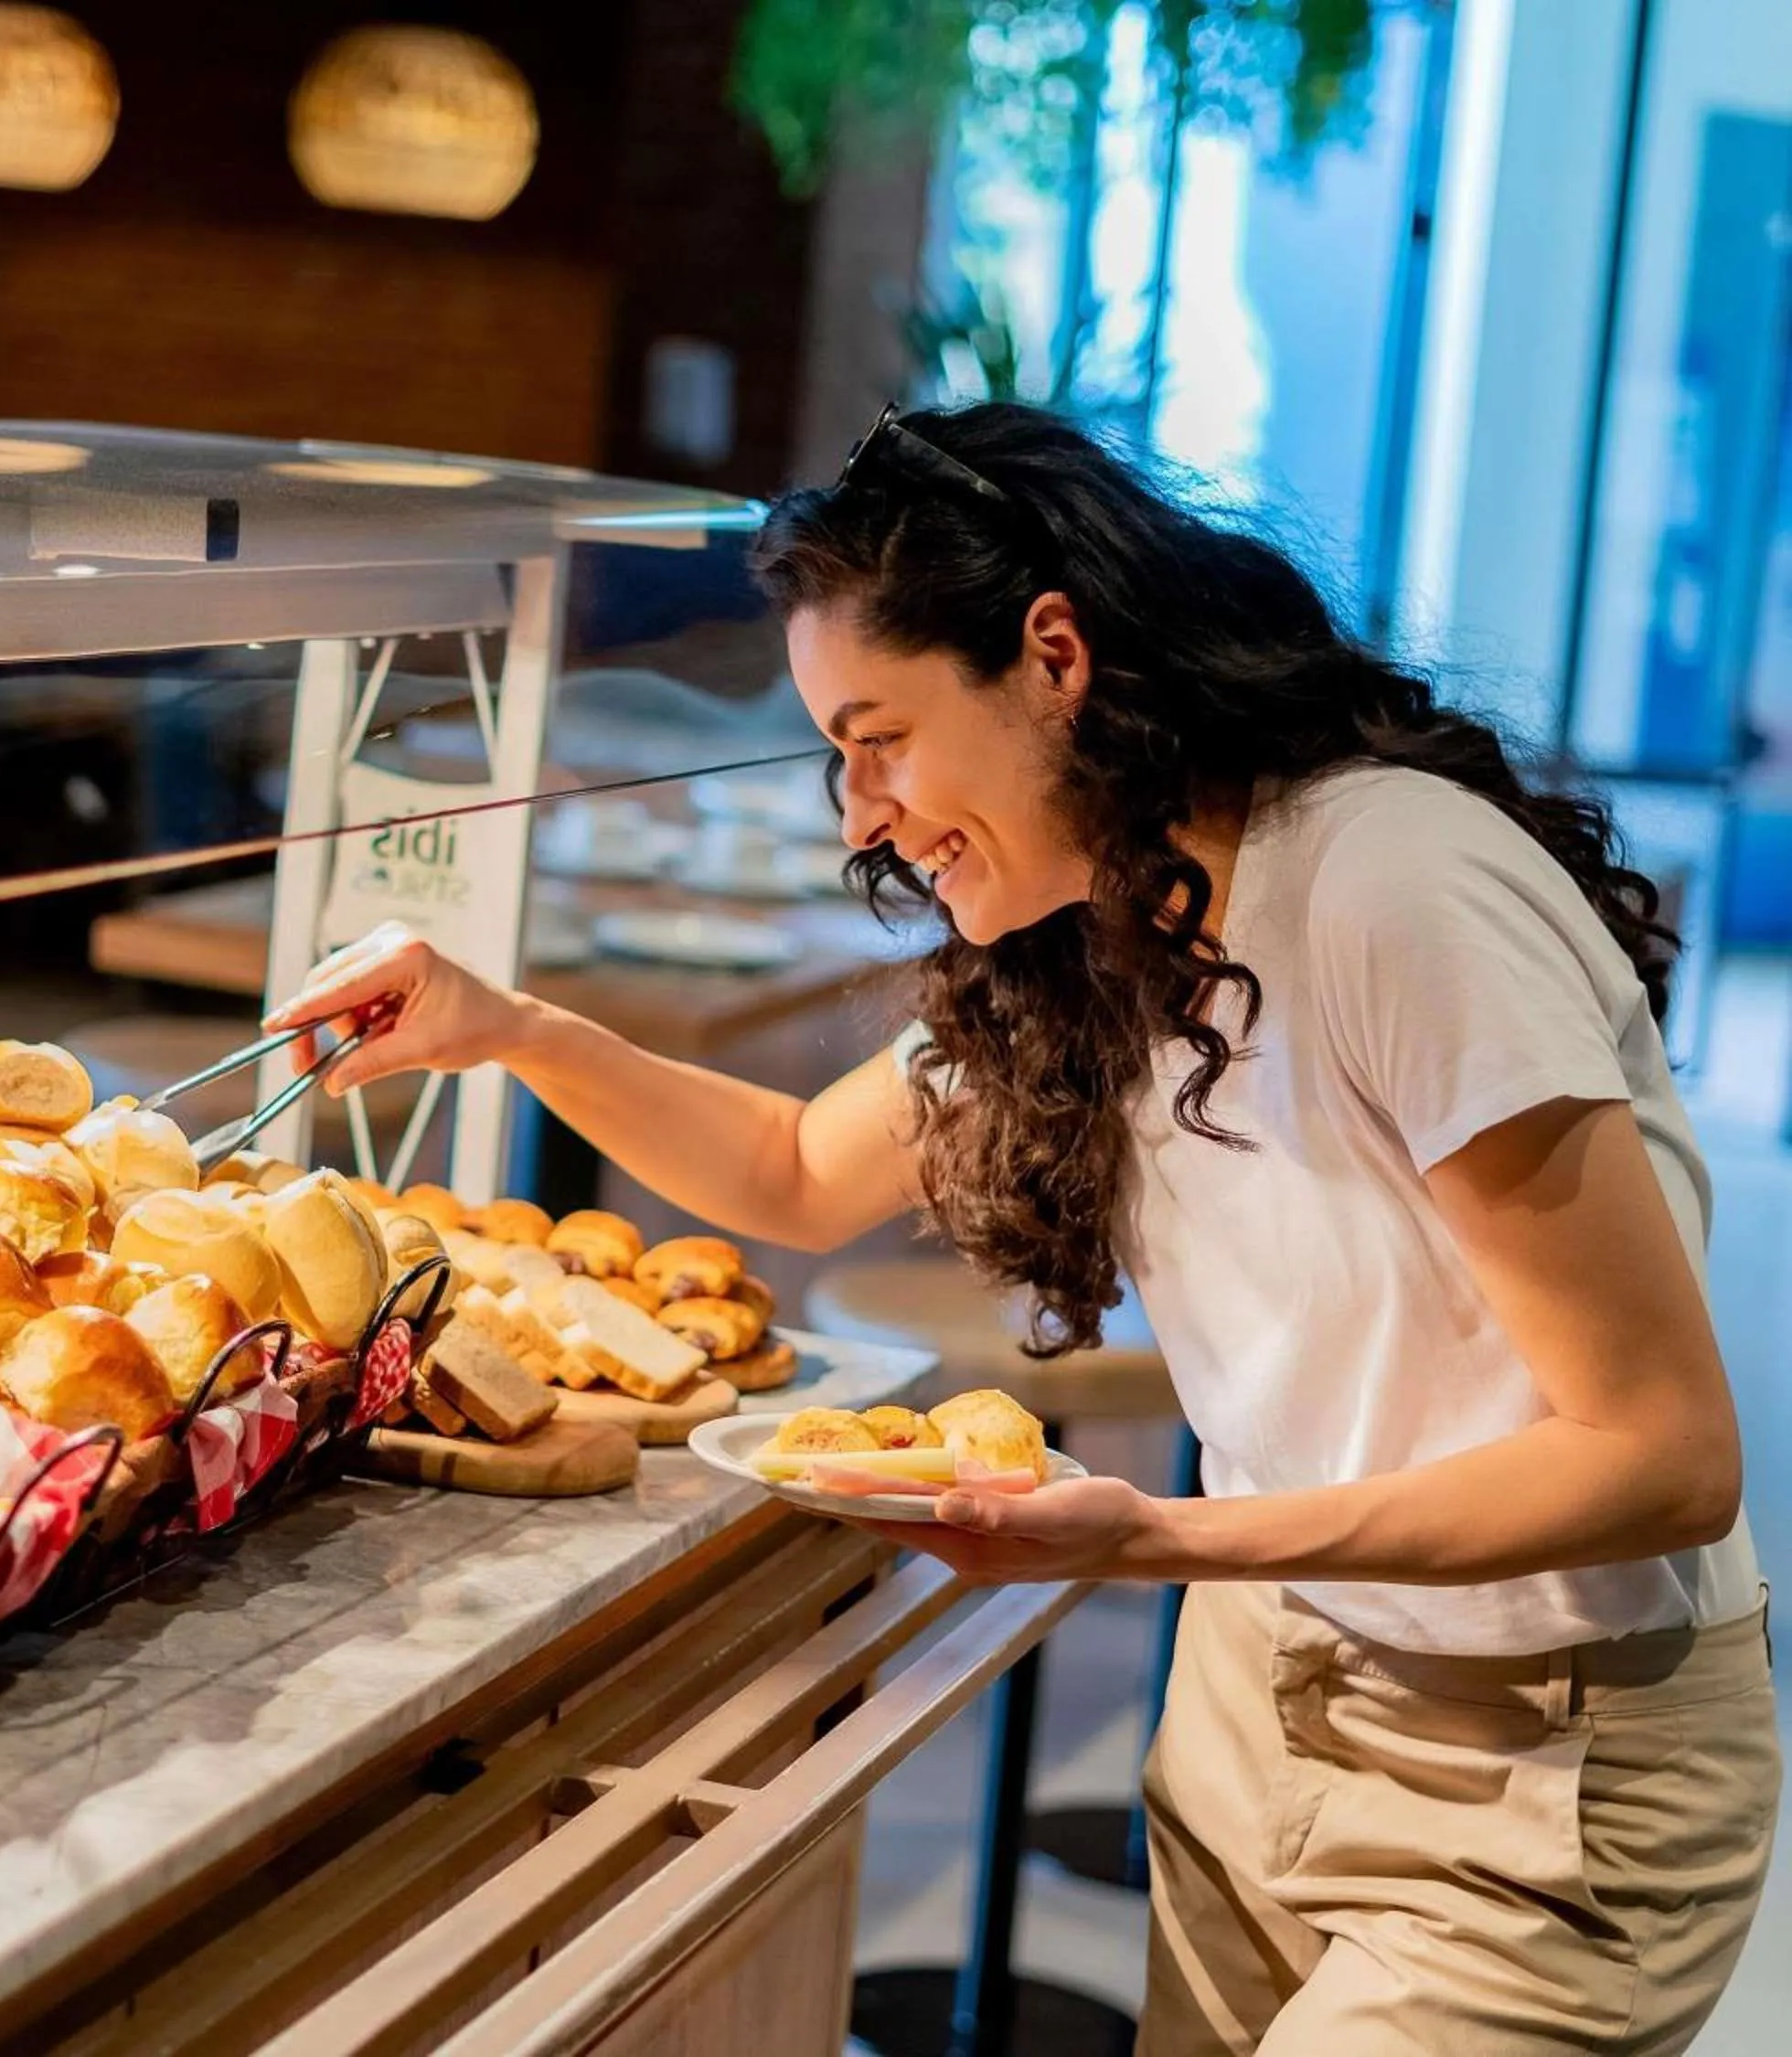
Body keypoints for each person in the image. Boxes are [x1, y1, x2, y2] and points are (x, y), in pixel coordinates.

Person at [266, 401, 1776, 2053]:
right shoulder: (1106, 927)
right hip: (1258, 1701)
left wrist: (1156, 1539)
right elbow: (788, 1168)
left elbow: (1659, 1453)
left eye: (880, 735)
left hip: (1543, 1769)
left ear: (1053, 653)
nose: (861, 812)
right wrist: (509, 1028)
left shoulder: (1387, 886)